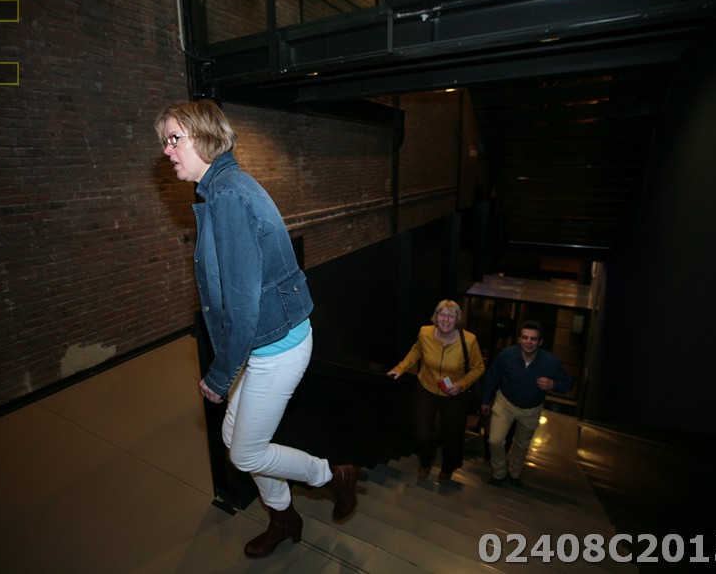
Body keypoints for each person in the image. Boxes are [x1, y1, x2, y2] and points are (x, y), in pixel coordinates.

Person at [154, 100, 358, 558]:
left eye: (174, 139)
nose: (166, 150)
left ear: (204, 137)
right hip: (266, 341)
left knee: (245, 452)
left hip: (277, 346)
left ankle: (335, 476)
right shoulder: (222, 187)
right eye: (165, 141)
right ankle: (284, 517)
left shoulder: (228, 195)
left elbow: (243, 306)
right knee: (235, 439)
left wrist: (220, 375)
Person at [388, 300, 485, 482]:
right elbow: (416, 351)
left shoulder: (469, 340)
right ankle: (426, 461)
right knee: (422, 433)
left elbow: (478, 368)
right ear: (435, 316)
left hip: (455, 395)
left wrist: (461, 384)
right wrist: (401, 367)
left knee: (453, 435)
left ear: (457, 319)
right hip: (426, 389)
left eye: (451, 316)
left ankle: (448, 467)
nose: (446, 319)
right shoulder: (425, 332)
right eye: (442, 314)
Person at [480, 320, 573, 488]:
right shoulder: (507, 355)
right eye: (525, 337)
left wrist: (553, 384)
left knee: (521, 445)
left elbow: (568, 384)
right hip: (505, 403)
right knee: (494, 440)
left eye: (533, 339)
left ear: (540, 342)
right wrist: (485, 400)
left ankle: (514, 474)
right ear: (519, 339)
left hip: (532, 409)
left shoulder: (550, 362)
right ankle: (499, 473)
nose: (529, 342)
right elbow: (492, 377)